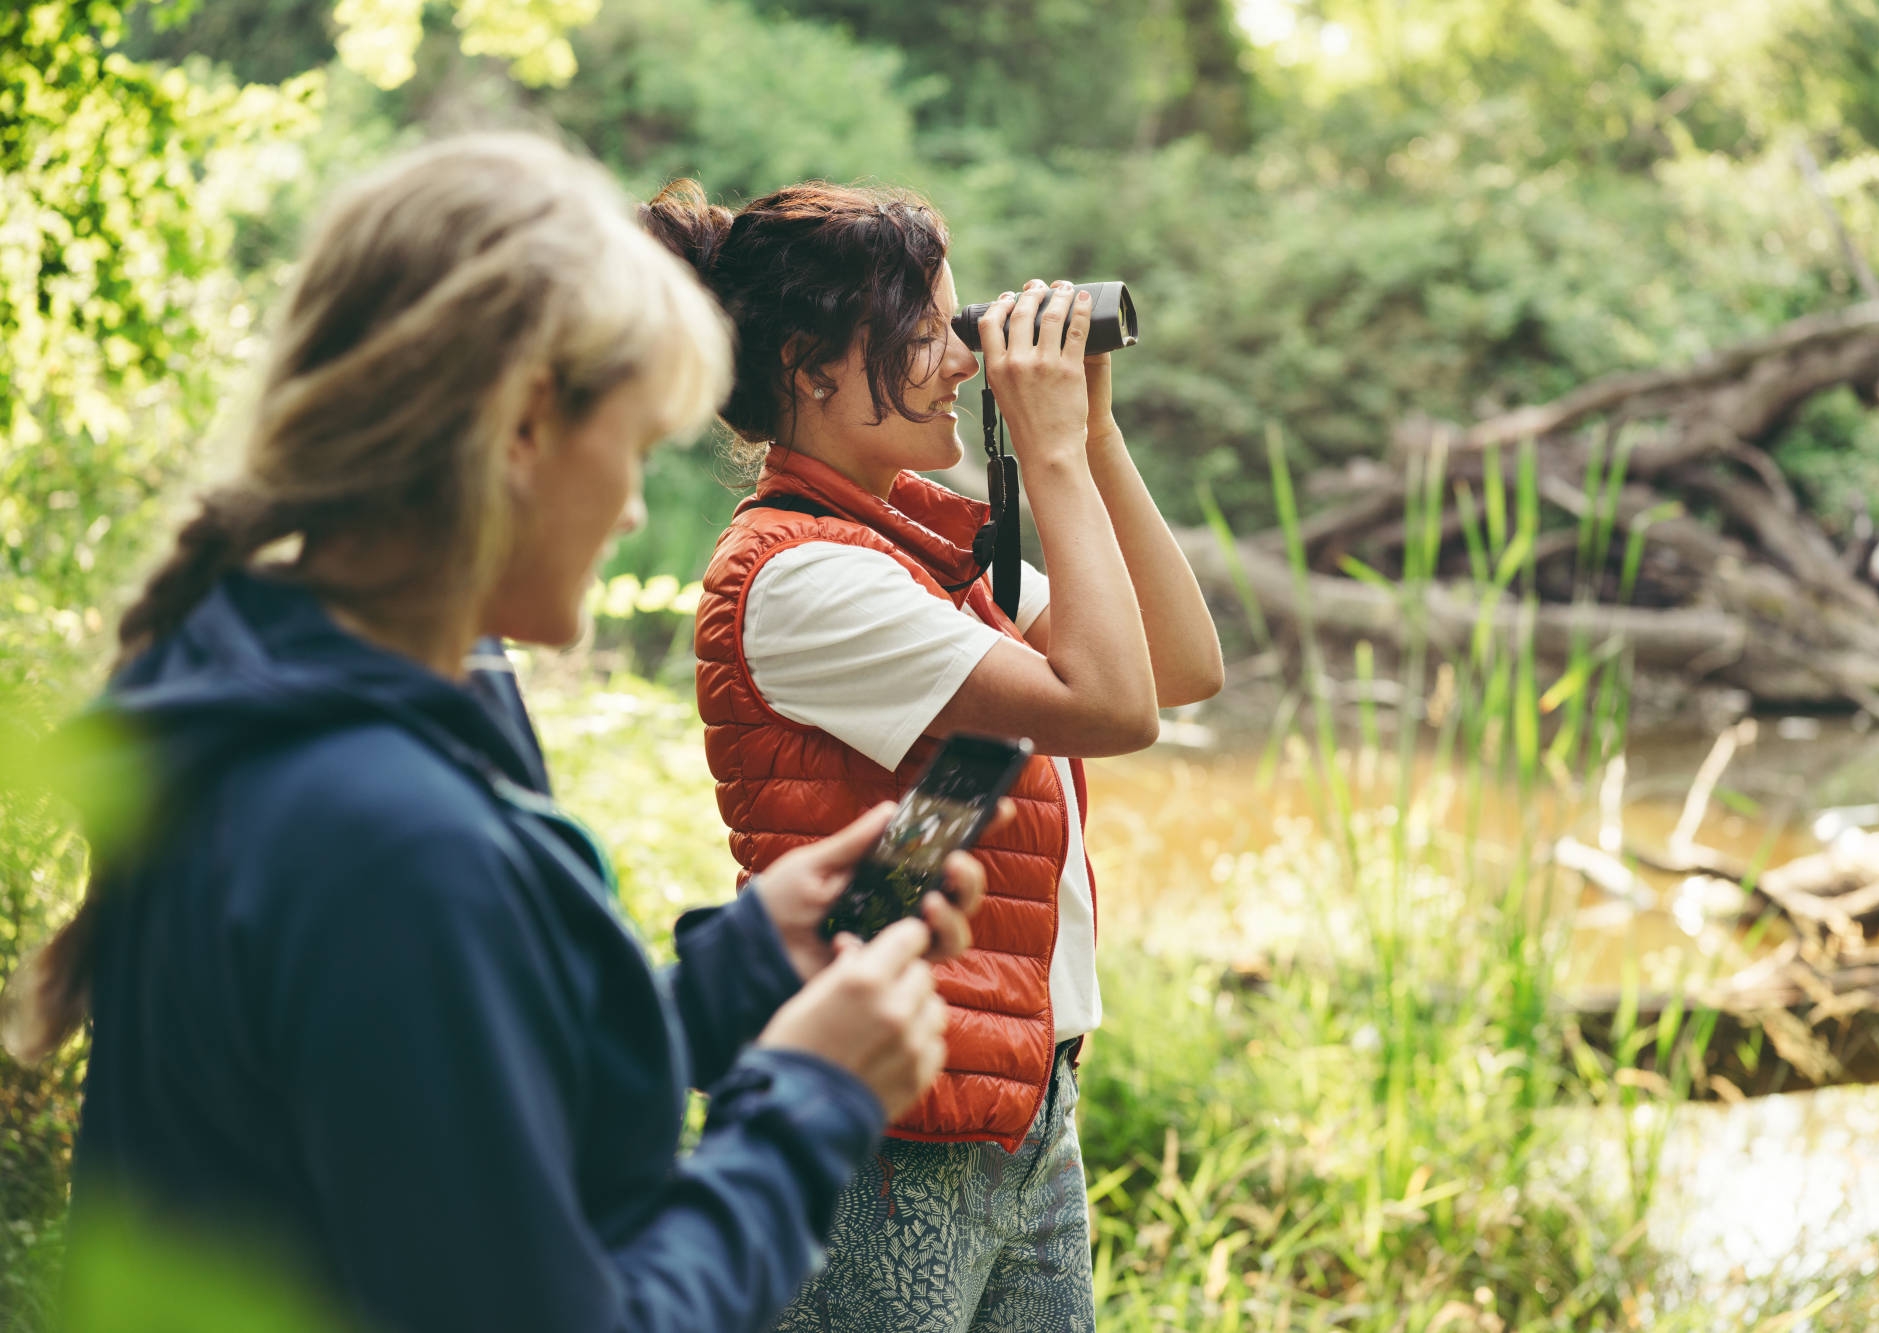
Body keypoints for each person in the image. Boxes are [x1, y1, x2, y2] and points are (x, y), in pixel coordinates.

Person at [0, 133, 993, 1333]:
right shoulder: (394, 839)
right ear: (523, 429)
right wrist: (807, 1102)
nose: (630, 510)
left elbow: (424, 1105)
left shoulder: (248, 697)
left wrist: (730, 978)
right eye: (630, 446)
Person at [640, 179, 1224, 1332]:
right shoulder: (801, 578)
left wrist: (1090, 437)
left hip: (1014, 1106)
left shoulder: (915, 550)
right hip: (887, 1136)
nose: (965, 357)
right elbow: (1112, 707)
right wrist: (1048, 458)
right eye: (924, 333)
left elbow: (1176, 665)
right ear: (810, 369)